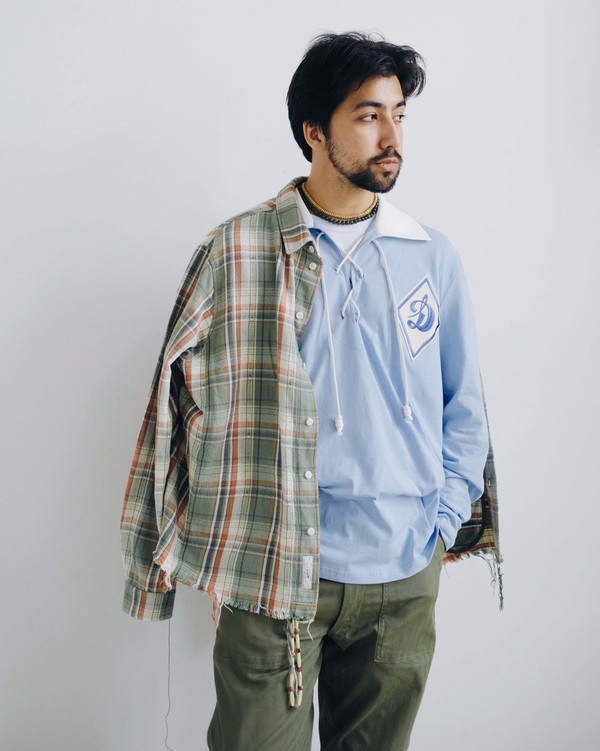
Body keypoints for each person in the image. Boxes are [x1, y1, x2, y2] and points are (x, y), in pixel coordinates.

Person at [121, 31, 497, 751]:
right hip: (274, 571)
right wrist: (161, 563)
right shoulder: (236, 251)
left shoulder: (430, 256)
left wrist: (442, 522)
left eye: (399, 115)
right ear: (314, 130)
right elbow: (169, 412)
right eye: (368, 115)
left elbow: (463, 405)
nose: (392, 137)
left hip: (404, 571)